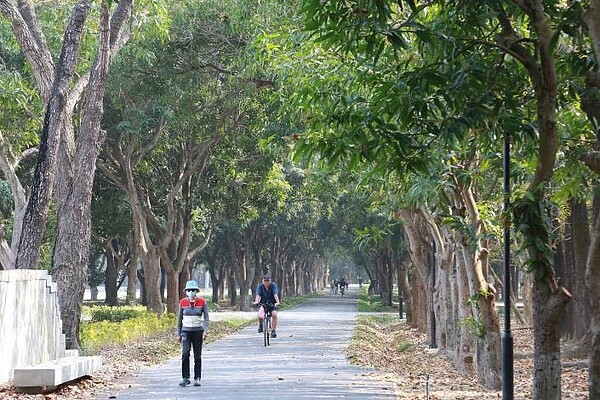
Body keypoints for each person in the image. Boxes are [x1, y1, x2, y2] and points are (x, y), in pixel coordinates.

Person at [177, 280, 210, 387]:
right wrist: (178, 333)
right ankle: (185, 377)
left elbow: (206, 318)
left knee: (197, 356)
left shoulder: (202, 302)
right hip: (186, 331)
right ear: (186, 291)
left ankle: (197, 378)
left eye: (193, 290)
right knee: (185, 354)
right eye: (189, 290)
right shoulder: (182, 302)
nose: (191, 292)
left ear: (197, 291)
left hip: (197, 332)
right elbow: (179, 319)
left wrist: (205, 331)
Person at [253, 274, 281, 338]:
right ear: (262, 281)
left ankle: (273, 331)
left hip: (272, 304)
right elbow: (258, 295)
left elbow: (275, 294)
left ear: (270, 281)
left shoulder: (273, 286)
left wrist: (277, 302)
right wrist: (256, 301)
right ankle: (260, 325)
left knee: (274, 315)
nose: (266, 282)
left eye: (268, 281)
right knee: (260, 315)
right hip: (263, 304)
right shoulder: (260, 286)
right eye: (265, 281)